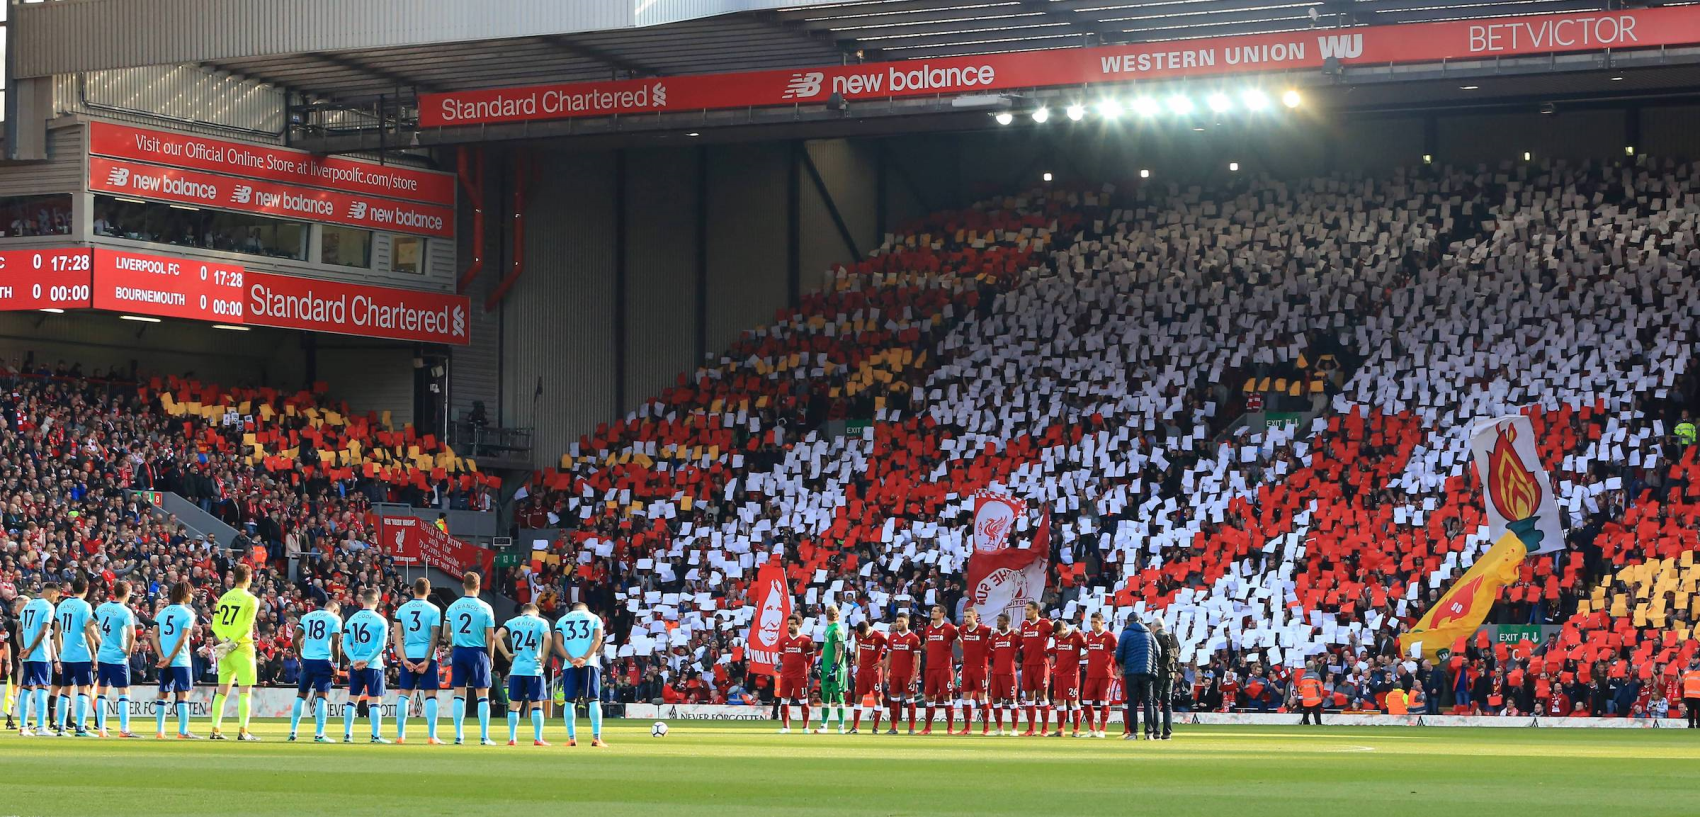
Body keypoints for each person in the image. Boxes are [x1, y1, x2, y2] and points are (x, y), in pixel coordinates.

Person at [208, 563, 261, 741]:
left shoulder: (224, 598)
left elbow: (215, 625)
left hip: (225, 649)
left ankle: (215, 730)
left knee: (222, 691)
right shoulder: (252, 600)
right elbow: (247, 626)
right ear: (248, 578)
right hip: (243, 647)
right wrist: (233, 642)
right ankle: (243, 731)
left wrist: (225, 641)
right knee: (245, 691)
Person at [444, 571, 497, 746]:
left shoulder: (453, 607)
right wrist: (490, 656)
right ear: (478, 586)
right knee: (482, 695)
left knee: (459, 694)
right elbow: (490, 636)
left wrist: (456, 642)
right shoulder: (485, 607)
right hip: (478, 652)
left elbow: (446, 633)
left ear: (463, 585)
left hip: (459, 652)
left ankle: (459, 736)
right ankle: (484, 736)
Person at [392, 578, 444, 744]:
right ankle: (431, 735)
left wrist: (404, 658)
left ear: (413, 590)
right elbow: (434, 638)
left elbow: (397, 637)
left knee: (404, 695)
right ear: (428, 591)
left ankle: (400, 735)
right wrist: (428, 661)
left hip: (409, 653)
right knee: (430, 696)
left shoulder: (402, 609)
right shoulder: (434, 609)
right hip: (426, 655)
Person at [496, 602, 551, 746]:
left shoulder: (512, 622)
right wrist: (544, 657)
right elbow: (549, 638)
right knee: (536, 704)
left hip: (517, 669)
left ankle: (512, 738)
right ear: (536, 613)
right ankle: (538, 738)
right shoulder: (541, 622)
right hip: (534, 668)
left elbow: (496, 637)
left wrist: (507, 654)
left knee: (514, 705)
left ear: (522, 613)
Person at [553, 601, 606, 747]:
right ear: (586, 608)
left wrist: (570, 659)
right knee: (594, 700)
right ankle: (596, 738)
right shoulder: (594, 618)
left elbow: (557, 642)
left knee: (569, 702)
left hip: (569, 666)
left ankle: (571, 738)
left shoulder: (562, 620)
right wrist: (585, 657)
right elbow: (598, 639)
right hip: (589, 664)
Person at [341, 588, 389, 744]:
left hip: (356, 665)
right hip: (373, 664)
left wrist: (355, 660)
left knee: (352, 699)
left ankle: (348, 735)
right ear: (376, 601)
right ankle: (375, 736)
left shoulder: (351, 619)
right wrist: (367, 660)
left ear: (362, 601)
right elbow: (381, 646)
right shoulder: (381, 620)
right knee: (375, 700)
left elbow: (345, 644)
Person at [289, 599, 340, 742]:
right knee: (322, 697)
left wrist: (300, 655)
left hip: (307, 660)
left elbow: (295, 639)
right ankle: (319, 734)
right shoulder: (334, 618)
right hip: (323, 660)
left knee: (301, 695)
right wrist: (336, 664)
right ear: (335, 610)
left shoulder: (307, 616)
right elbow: (336, 642)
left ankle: (293, 731)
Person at [93, 580, 139, 738]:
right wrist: (128, 651)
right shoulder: (125, 611)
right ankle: (124, 729)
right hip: (117, 657)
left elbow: (88, 624)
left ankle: (101, 729)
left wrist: (100, 641)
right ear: (127, 593)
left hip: (103, 655)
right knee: (124, 692)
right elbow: (132, 633)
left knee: (102, 692)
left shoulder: (102, 607)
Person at [151, 582, 198, 740]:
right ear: (184, 594)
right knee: (183, 695)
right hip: (181, 660)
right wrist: (171, 657)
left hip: (165, 661)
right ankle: (183, 731)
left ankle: (160, 731)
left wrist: (162, 656)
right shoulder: (188, 613)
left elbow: (153, 636)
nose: (192, 596)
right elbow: (184, 637)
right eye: (190, 593)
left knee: (163, 694)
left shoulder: (162, 613)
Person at [53, 577, 97, 737]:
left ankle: (61, 727)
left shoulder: (62, 605)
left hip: (66, 655)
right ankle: (80, 727)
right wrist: (94, 653)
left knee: (65, 690)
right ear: (86, 590)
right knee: (83, 688)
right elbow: (88, 630)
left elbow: (56, 633)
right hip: (81, 654)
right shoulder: (85, 606)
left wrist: (60, 653)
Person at [18, 585, 59, 737]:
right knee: (43, 687)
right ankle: (41, 726)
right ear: (53, 593)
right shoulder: (48, 607)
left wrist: (23, 648)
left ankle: (23, 726)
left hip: (27, 656)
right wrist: (30, 649)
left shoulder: (28, 605)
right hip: (40, 654)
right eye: (57, 597)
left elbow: (18, 630)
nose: (56, 600)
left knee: (27, 688)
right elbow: (44, 631)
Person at [1114, 613, 1157, 741]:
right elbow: (1158, 651)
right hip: (1147, 672)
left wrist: (1123, 667)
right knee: (1148, 703)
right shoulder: (1148, 634)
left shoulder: (1126, 634)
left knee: (1132, 702)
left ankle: (1133, 733)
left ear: (1128, 622)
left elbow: (1119, 654)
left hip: (1131, 672)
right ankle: (1149, 733)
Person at [920, 604, 958, 735]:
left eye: (935, 611)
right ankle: (928, 728)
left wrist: (967, 655)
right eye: (932, 611)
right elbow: (926, 645)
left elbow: (961, 643)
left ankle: (950, 728)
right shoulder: (929, 629)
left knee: (947, 696)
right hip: (930, 668)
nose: (932, 613)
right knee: (929, 697)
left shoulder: (950, 629)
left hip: (944, 668)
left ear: (942, 614)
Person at [1018, 602, 1055, 736]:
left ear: (1036, 611)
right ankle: (1031, 729)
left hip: (1041, 664)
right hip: (1027, 665)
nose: (1026, 612)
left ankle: (1045, 729)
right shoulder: (1024, 625)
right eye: (1025, 609)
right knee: (1029, 695)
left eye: (1028, 610)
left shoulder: (1045, 623)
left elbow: (1060, 633)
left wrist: (1051, 651)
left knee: (1042, 695)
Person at [775, 614, 813, 734]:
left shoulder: (806, 640)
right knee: (784, 701)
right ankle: (786, 727)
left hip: (800, 675)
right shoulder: (783, 641)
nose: (789, 626)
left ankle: (805, 727)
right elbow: (781, 657)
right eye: (788, 624)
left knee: (803, 700)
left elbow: (811, 657)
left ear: (799, 625)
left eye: (792, 624)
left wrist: (804, 667)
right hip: (786, 675)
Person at [884, 612, 921, 734]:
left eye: (901, 621)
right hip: (895, 674)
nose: (899, 623)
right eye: (897, 621)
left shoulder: (914, 638)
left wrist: (915, 675)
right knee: (894, 700)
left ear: (907, 622)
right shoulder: (892, 637)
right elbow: (889, 657)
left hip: (908, 674)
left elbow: (917, 659)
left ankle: (912, 728)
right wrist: (886, 673)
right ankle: (894, 727)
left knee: (910, 700)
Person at [1082, 611, 1117, 738]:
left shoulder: (1110, 636)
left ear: (1102, 622)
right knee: (1085, 700)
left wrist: (1116, 669)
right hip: (1091, 674)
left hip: (1105, 675)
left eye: (1095, 622)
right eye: (1091, 622)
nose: (1093, 625)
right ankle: (1092, 729)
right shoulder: (1090, 636)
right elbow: (1090, 652)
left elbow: (1115, 653)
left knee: (1104, 702)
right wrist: (1077, 658)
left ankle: (1102, 729)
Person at [1050, 618, 1087, 737]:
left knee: (1073, 701)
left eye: (1060, 634)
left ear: (1065, 628)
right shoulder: (1057, 637)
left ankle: (1076, 730)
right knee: (1059, 701)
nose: (1059, 637)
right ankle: (1061, 729)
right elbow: (1056, 651)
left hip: (1072, 674)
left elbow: (1091, 648)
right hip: (1059, 673)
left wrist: (1081, 658)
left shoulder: (1077, 635)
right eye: (1057, 635)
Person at [815, 605, 849, 734]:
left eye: (833, 612)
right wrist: (821, 661)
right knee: (825, 696)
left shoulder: (837, 630)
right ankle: (824, 724)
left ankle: (841, 725)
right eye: (831, 612)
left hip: (836, 670)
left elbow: (839, 649)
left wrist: (835, 666)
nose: (832, 614)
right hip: (825, 669)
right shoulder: (828, 628)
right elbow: (826, 647)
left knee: (839, 696)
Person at [957, 609, 991, 735]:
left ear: (975, 617)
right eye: (965, 617)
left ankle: (986, 728)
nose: (966, 619)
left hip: (980, 667)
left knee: (982, 697)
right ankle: (967, 728)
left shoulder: (984, 630)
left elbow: (997, 634)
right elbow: (958, 639)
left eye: (969, 617)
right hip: (967, 667)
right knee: (966, 697)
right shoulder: (963, 629)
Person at [988, 614, 1020, 736]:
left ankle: (1014, 729)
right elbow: (990, 653)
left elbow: (1022, 649)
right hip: (996, 673)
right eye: (997, 620)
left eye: (1000, 621)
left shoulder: (1014, 636)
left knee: (1012, 700)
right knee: (995, 699)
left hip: (1009, 673)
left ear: (1007, 622)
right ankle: (999, 728)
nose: (998, 622)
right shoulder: (995, 637)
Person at [1151, 619, 1179, 740]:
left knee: (1155, 702)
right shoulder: (1172, 637)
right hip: (1171, 673)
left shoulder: (1155, 637)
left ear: (1153, 627)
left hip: (1159, 672)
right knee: (1167, 703)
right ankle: (1167, 733)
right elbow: (1177, 655)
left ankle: (1156, 732)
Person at [1295, 660, 1325, 726]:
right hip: (1315, 699)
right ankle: (1318, 725)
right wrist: (1321, 695)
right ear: (1313, 667)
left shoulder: (1302, 676)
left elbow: (1300, 688)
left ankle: (1306, 725)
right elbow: (1321, 687)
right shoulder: (1316, 675)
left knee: (1305, 715)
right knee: (1317, 716)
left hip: (1306, 700)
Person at [1682, 658, 1700, 729]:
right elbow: (1683, 680)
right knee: (1690, 712)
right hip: (1688, 695)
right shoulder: (1686, 670)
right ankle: (1691, 725)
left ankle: (1699, 725)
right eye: (1693, 659)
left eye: (1695, 659)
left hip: (1698, 695)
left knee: (1699, 712)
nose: (1694, 660)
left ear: (1698, 660)